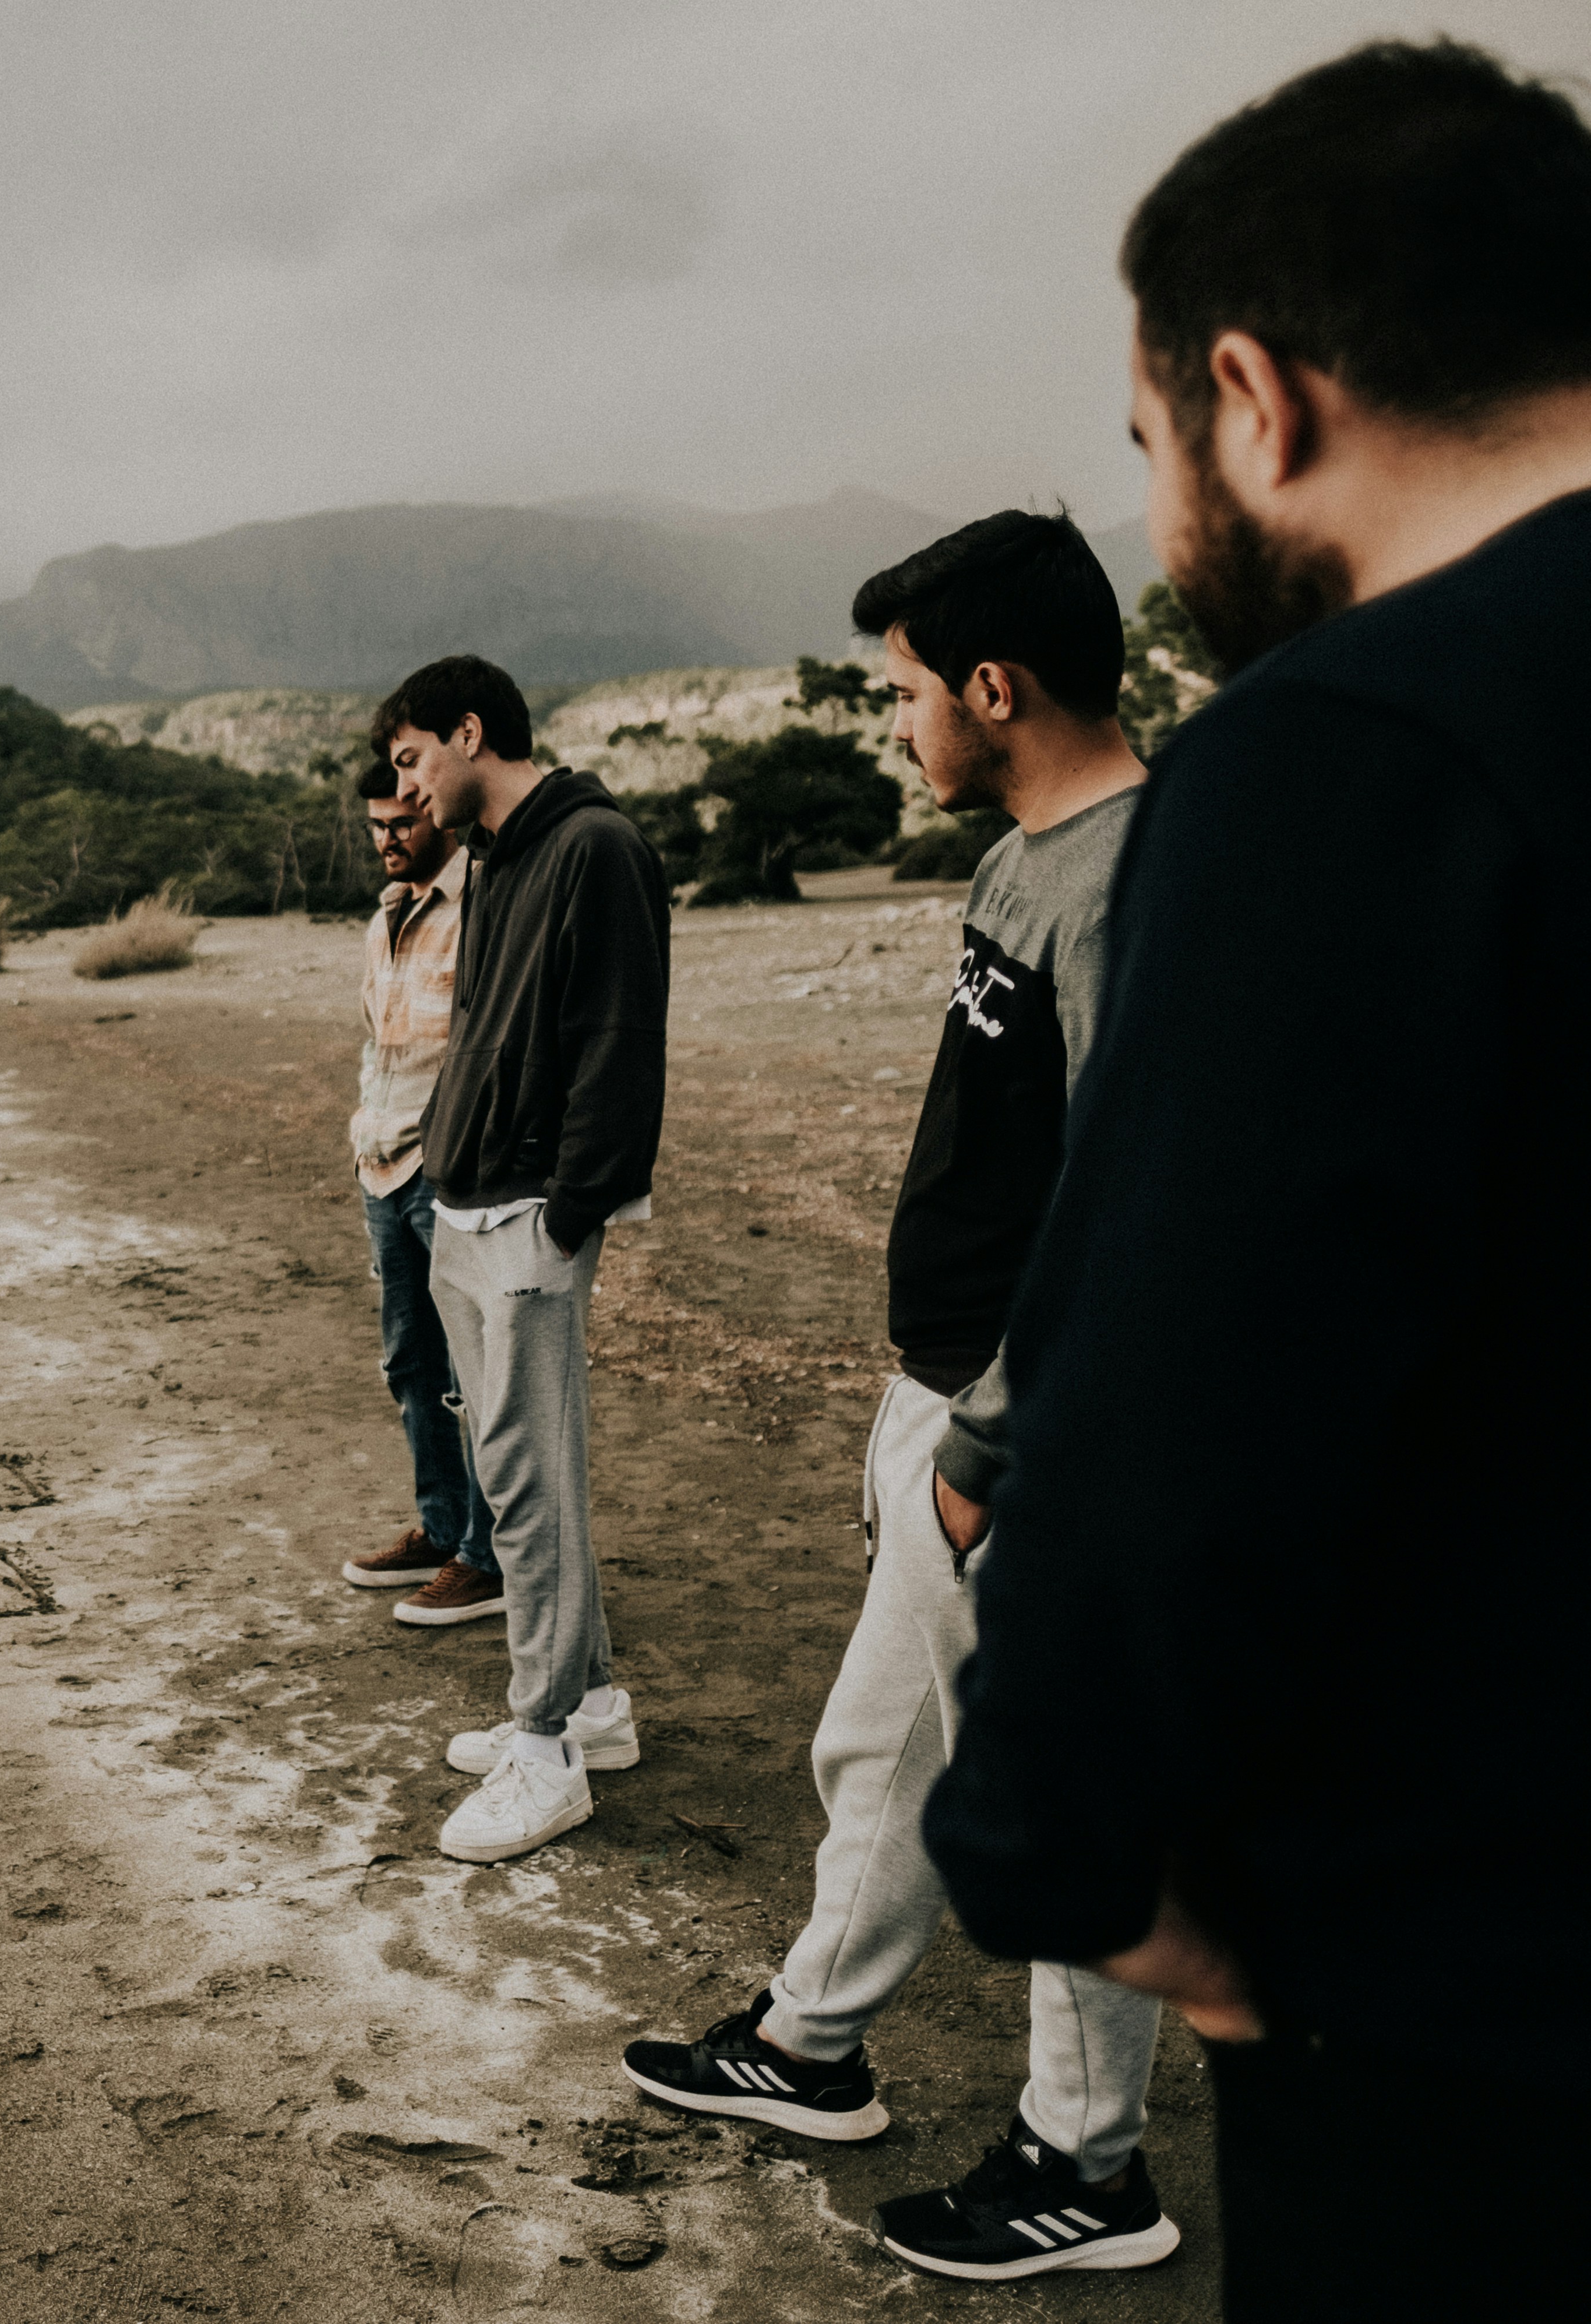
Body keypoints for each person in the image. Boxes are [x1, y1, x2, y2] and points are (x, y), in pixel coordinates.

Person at [918, 41, 1591, 2317]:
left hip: (1483, 2008)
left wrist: (1083, 1859)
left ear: (1249, 392)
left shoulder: (1348, 752)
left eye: (1146, 448)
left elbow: (1183, 1385)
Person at [620, 512, 1177, 2281]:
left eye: (907, 692)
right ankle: (807, 2045)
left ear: (991, 687)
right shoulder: (1028, 856)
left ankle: (1084, 2169)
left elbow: (1127, 1206)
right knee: (881, 1747)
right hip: (941, 1399)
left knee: (1051, 1790)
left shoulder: (1128, 884)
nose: (895, 725)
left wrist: (985, 1447)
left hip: (1018, 1435)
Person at [382, 657, 669, 1864]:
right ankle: (593, 1703)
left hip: (532, 1213)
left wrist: (573, 1208)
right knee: (515, 1470)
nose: (404, 788)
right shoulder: (497, 856)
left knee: (530, 1476)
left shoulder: (595, 844)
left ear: (468, 729)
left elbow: (619, 1036)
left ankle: (546, 1744)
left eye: (410, 759)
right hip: (469, 1195)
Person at [336, 756, 502, 1624]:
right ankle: (440, 1529)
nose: (388, 839)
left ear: (433, 811)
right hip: (380, 1166)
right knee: (411, 1361)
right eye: (375, 825)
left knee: (474, 1371)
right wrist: (364, 1131)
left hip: (444, 1172)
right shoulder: (384, 918)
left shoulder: (481, 903)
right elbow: (379, 1042)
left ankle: (486, 1556)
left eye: (401, 820)